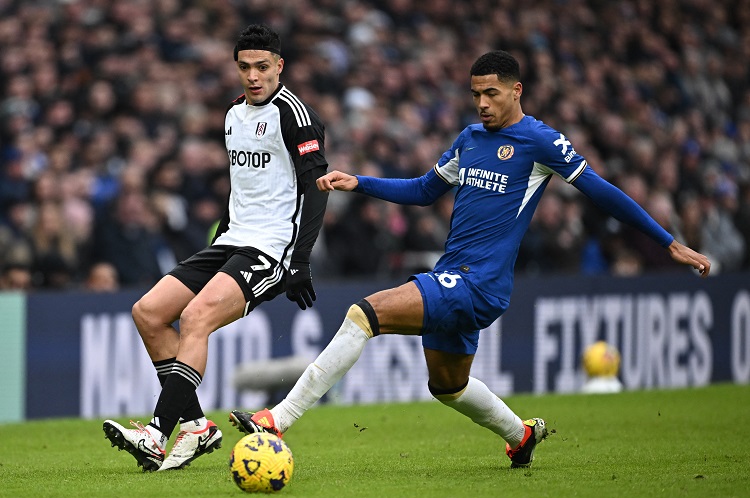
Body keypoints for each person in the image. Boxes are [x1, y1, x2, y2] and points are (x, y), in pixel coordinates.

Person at [228, 50, 711, 469]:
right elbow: (423, 191)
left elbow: (601, 191)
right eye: (476, 93)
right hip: (453, 276)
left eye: (493, 94)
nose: (482, 103)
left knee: (364, 314)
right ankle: (520, 437)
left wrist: (666, 240)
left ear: (517, 91)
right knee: (448, 385)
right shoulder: (469, 138)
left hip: (479, 284)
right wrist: (362, 182)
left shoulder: (540, 142)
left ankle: (279, 419)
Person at [103, 23, 329, 471]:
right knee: (147, 313)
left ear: (279, 67)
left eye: (262, 67)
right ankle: (197, 426)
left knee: (195, 318)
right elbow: (241, 186)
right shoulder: (232, 115)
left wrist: (300, 260)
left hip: (272, 246)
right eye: (245, 67)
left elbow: (317, 187)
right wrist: (218, 240)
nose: (253, 76)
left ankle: (155, 434)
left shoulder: (295, 115)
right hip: (231, 239)